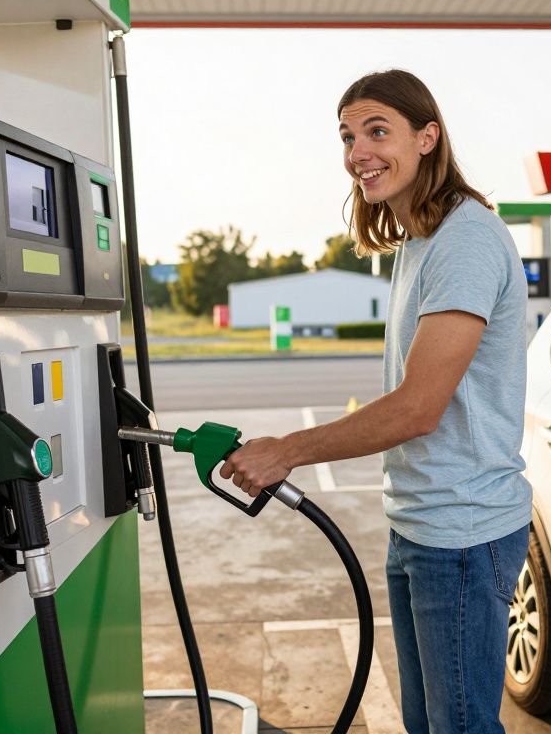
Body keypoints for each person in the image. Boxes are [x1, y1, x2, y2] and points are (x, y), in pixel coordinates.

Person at [221, 69, 530, 733]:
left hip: (462, 531)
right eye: (347, 136)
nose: (358, 151)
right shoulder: (421, 240)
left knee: (459, 727)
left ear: (427, 137)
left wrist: (287, 451)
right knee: (429, 724)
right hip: (423, 521)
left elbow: (419, 407)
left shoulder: (466, 240)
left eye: (377, 131)